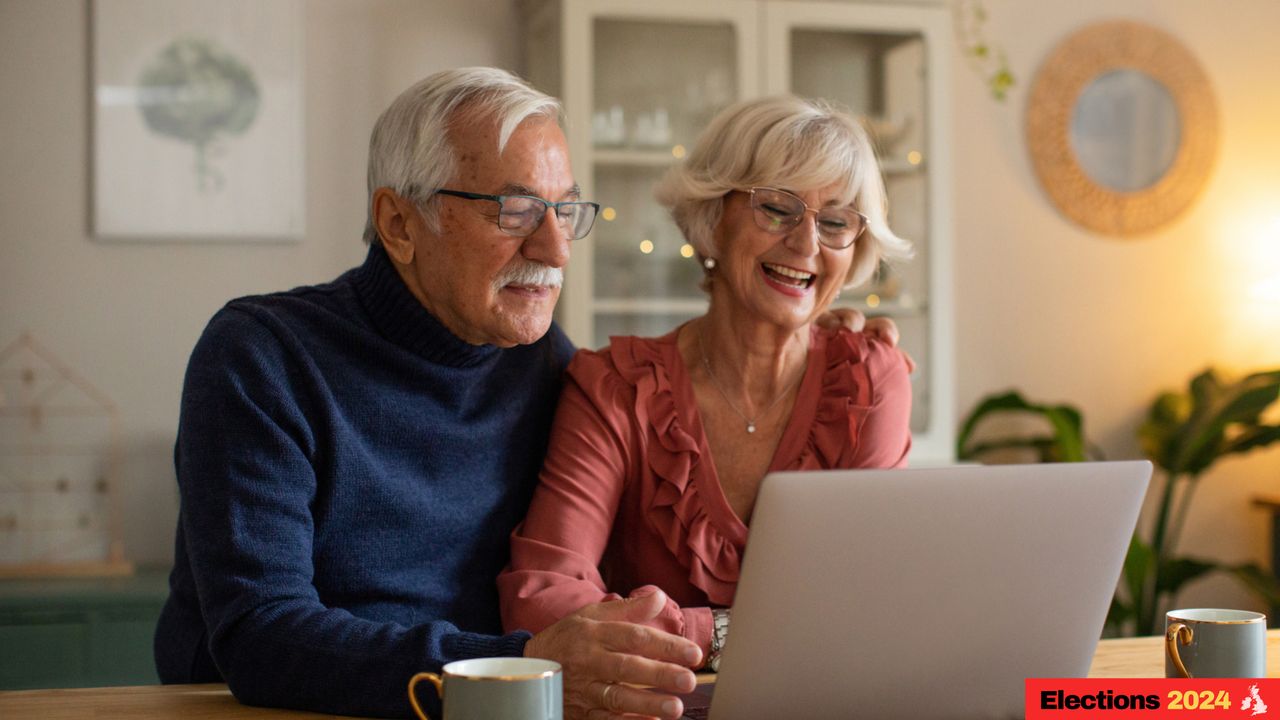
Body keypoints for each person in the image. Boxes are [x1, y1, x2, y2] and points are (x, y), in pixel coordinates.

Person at [154, 67, 706, 720]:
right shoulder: (262, 356)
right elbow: (260, 634)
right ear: (398, 223)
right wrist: (520, 668)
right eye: (517, 210)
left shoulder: (547, 364)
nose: (555, 249)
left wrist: (835, 343)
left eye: (565, 211)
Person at [498, 95, 915, 675]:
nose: (806, 244)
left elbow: (868, 609)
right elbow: (542, 597)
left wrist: (684, 631)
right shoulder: (616, 387)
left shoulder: (870, 379)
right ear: (712, 218)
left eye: (836, 221)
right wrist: (726, 633)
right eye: (777, 208)